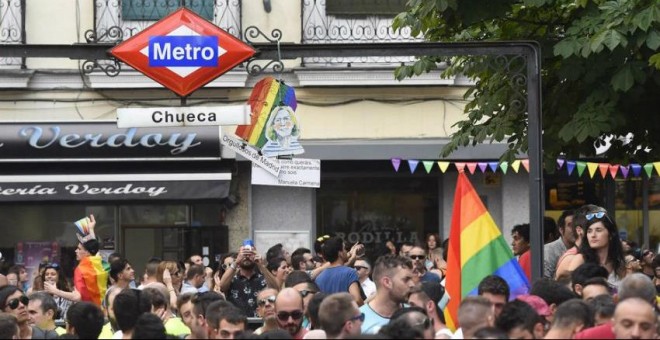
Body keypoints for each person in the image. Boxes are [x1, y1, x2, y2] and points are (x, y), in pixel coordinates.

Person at [568, 207, 626, 289]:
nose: (593, 235)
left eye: (598, 230)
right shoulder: (580, 259)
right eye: (589, 231)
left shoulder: (619, 264)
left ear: (611, 234)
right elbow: (570, 291)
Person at [219, 243, 278, 317]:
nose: (247, 257)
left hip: (259, 323)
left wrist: (261, 265)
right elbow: (222, 286)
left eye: (250, 253)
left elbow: (275, 289)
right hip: (236, 323)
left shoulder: (262, 278)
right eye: (244, 254)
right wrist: (236, 262)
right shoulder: (232, 279)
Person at [359, 254, 414, 334]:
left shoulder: (415, 313)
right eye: (406, 279)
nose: (412, 284)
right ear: (387, 282)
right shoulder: (358, 321)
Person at [72, 214, 109, 306]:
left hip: (86, 311)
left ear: (87, 252)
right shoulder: (101, 265)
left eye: (79, 249)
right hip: (101, 311)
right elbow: (93, 249)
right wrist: (91, 229)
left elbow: (78, 297)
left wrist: (55, 291)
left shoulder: (80, 270)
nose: (76, 251)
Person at [314, 236, 363, 305]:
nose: (346, 251)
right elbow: (357, 300)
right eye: (344, 249)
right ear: (340, 253)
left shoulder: (319, 278)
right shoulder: (350, 272)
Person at [555, 204, 599, 280]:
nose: (594, 234)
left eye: (598, 229)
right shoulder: (575, 258)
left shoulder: (585, 254)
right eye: (590, 229)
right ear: (579, 230)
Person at [543, 210, 575, 279]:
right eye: (571, 225)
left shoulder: (585, 249)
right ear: (561, 230)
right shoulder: (549, 250)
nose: (575, 229)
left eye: (578, 225)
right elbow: (545, 281)